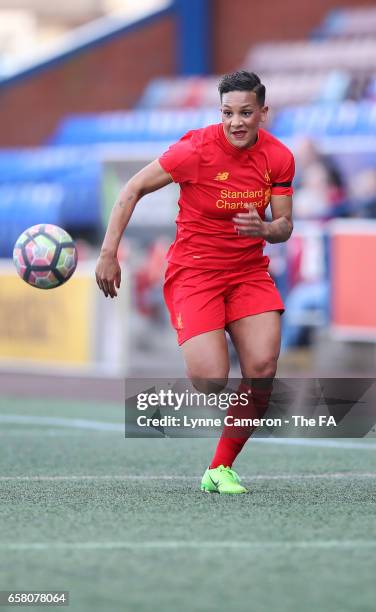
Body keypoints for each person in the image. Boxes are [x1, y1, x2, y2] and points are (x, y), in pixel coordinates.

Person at [95, 70, 295, 494]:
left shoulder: (279, 157)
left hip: (248, 272)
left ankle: (219, 468)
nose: (236, 122)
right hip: (195, 272)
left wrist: (265, 230)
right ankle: (201, 345)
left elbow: (284, 226)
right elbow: (131, 189)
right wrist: (109, 253)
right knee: (211, 380)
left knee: (262, 368)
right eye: (227, 113)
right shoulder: (194, 150)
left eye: (245, 112)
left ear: (263, 112)